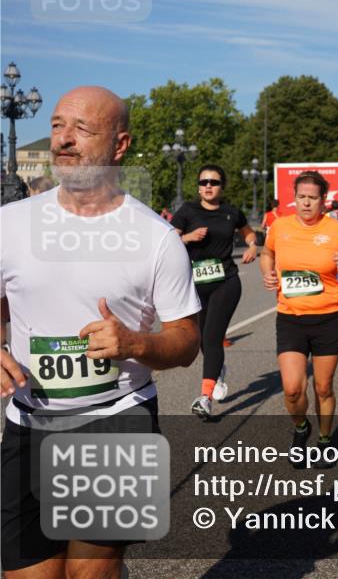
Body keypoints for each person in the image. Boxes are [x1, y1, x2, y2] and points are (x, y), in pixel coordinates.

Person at [0, 86, 201, 578]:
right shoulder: (9, 223)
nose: (64, 140)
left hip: (114, 419)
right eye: (56, 126)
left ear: (121, 144)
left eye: (82, 129)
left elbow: (187, 341)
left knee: (87, 574)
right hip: (28, 420)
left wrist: (136, 344)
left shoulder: (156, 238)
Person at [259, 170, 338, 467]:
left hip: (328, 317)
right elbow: (267, 253)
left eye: (312, 198)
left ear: (323, 200)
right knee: (292, 388)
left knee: (323, 387)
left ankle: (325, 439)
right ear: (294, 197)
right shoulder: (280, 226)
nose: (306, 204)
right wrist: (267, 271)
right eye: (301, 197)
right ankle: (301, 427)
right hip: (291, 317)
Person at [171, 164, 257, 419]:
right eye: (204, 181)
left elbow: (249, 233)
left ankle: (205, 397)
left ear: (222, 186)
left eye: (214, 182)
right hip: (195, 284)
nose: (208, 186)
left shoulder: (231, 213)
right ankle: (216, 371)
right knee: (202, 340)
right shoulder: (187, 211)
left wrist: (252, 246)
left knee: (212, 337)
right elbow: (168, 241)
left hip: (226, 282)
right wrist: (188, 237)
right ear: (198, 186)